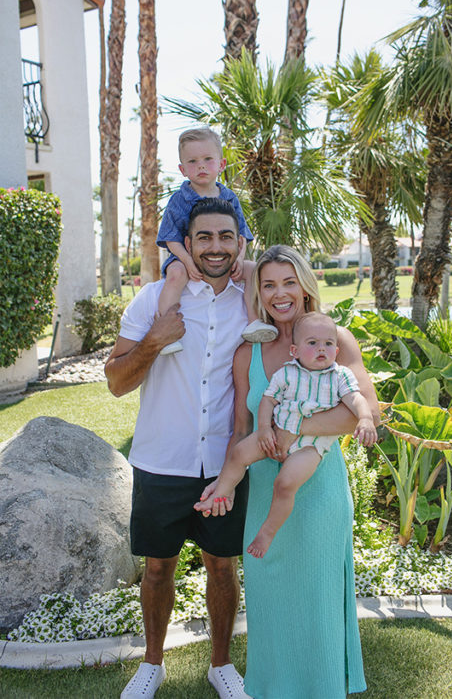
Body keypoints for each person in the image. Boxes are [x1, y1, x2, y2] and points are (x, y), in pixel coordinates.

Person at [199, 244, 376, 698]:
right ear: (259, 292)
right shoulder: (247, 354)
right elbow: (241, 426)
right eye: (269, 284)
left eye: (289, 282)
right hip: (263, 493)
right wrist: (226, 485)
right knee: (271, 606)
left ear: (305, 286)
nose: (280, 294)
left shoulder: (335, 341)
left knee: (317, 605)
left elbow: (363, 411)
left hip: (317, 490)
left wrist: (289, 428)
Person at [105, 199, 252, 699]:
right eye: (205, 237)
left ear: (238, 243)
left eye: (225, 237)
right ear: (186, 245)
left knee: (222, 565)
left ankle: (221, 665)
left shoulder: (251, 303)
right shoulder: (153, 300)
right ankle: (152, 664)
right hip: (161, 460)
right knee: (158, 567)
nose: (215, 247)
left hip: (226, 463)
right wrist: (152, 340)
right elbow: (116, 383)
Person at [195, 310, 378, 559]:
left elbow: (355, 399)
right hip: (275, 431)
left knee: (285, 484)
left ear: (336, 351)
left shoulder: (339, 376)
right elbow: (268, 400)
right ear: (295, 351)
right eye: (312, 343)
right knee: (239, 453)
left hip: (310, 447)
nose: (321, 349)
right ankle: (223, 490)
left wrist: (365, 418)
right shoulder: (287, 373)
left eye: (328, 344)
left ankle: (268, 532)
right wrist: (263, 430)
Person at [156, 126, 277, 355]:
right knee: (176, 275)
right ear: (182, 169)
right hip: (183, 256)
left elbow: (241, 234)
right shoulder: (179, 199)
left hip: (224, 255)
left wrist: (239, 259)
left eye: (207, 159)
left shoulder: (229, 197)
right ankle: (164, 331)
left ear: (221, 165)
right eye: (192, 161)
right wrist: (188, 262)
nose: (200, 166)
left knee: (252, 269)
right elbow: (171, 238)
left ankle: (254, 322)